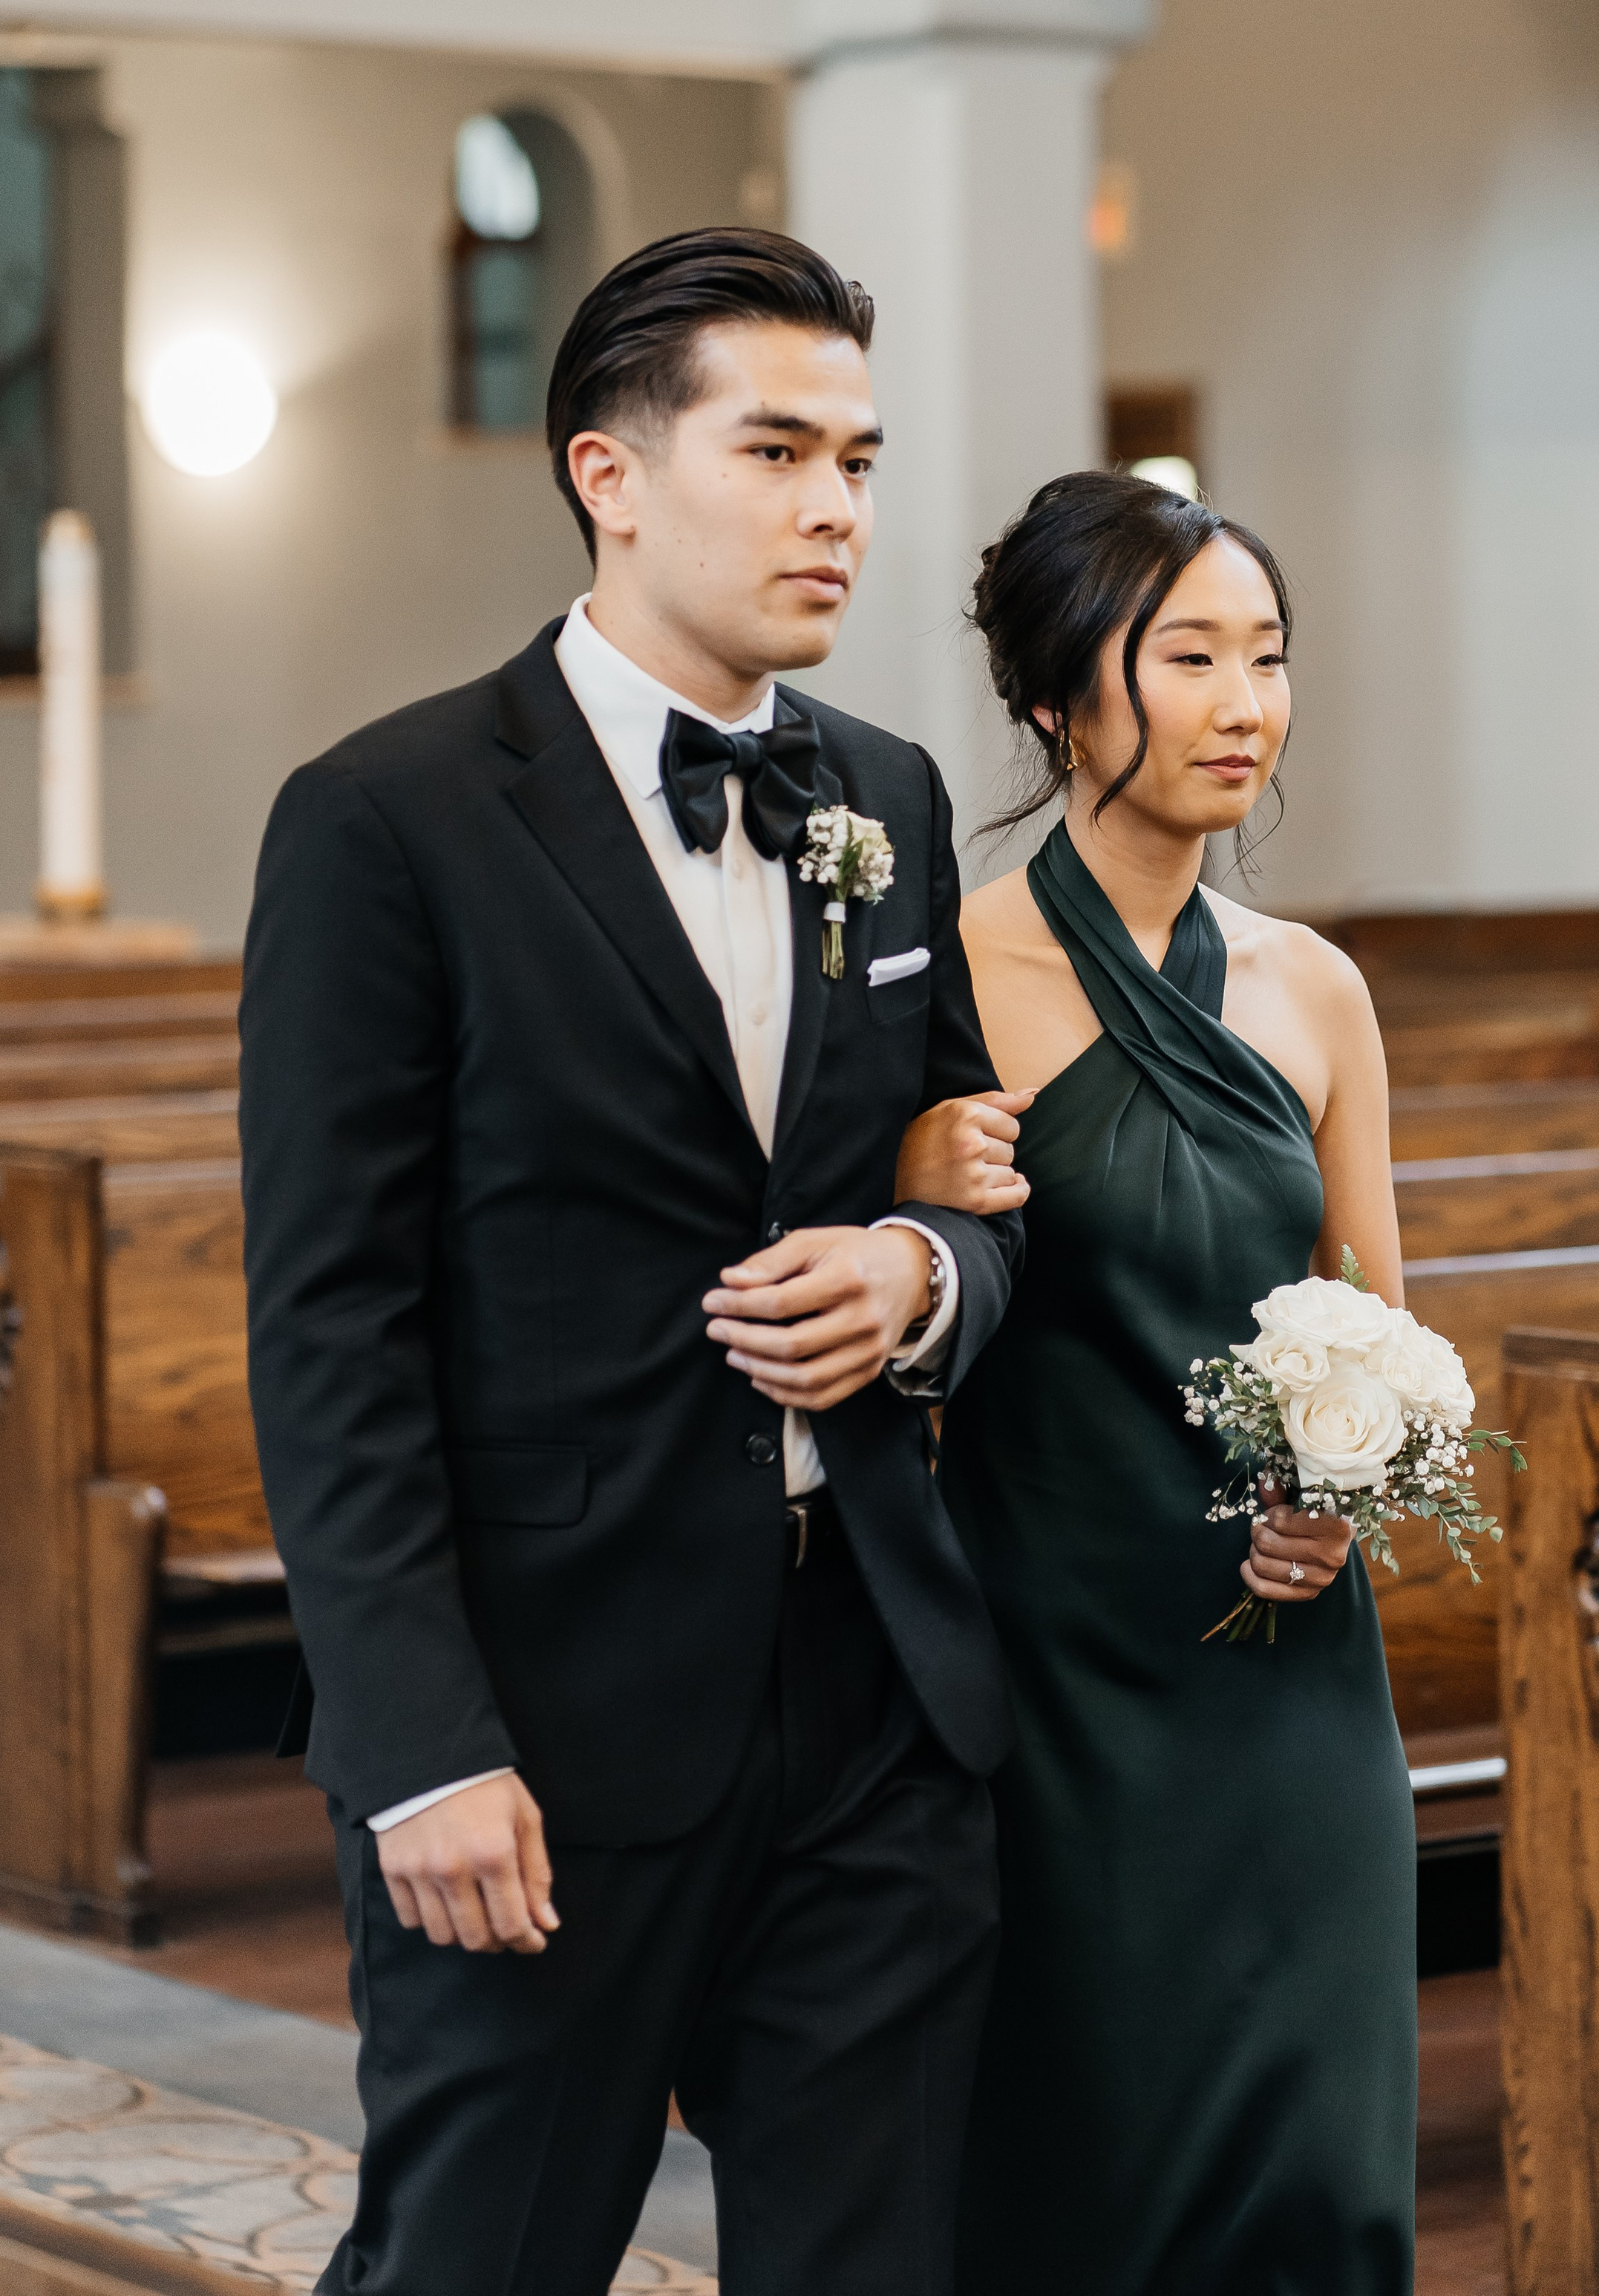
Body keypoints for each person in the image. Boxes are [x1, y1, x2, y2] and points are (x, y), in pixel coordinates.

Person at [241, 229, 1024, 2296]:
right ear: (611, 473)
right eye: (778, 451)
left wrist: (924, 1278)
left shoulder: (889, 795)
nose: (840, 508)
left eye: (859, 458)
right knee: (476, 2262)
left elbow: (970, 1180)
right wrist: (420, 1740)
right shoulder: (385, 818)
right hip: (543, 1718)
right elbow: (330, 1329)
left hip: (873, 1699)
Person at [897, 469, 1417, 2296]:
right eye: (1185, 654)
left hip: (1285, 1682)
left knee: (1317, 2155)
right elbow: (880, 1336)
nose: (1240, 704)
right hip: (1051, 1661)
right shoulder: (943, 975)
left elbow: (1379, 1320)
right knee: (1087, 2164)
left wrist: (1338, 1500)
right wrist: (915, 1201)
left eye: (1264, 657)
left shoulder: (1310, 986)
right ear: (1056, 693)